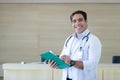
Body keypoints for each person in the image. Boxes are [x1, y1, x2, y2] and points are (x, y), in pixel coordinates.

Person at [48, 10, 102, 80]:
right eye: (74, 21)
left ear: (86, 22)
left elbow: (92, 64)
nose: (77, 23)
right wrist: (56, 65)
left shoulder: (93, 40)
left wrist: (71, 62)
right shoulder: (69, 39)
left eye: (80, 20)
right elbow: (63, 60)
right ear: (72, 24)